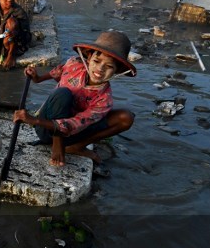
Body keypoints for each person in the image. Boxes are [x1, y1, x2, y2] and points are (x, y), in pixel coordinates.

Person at [13, 30, 136, 168]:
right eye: (96, 61)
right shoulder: (73, 64)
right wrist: (37, 78)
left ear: (117, 71)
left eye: (109, 66)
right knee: (62, 93)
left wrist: (33, 119)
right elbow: (58, 72)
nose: (100, 69)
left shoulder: (104, 99)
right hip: (47, 129)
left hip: (72, 132)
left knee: (126, 117)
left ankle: (76, 147)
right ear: (88, 58)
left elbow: (76, 123)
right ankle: (56, 142)